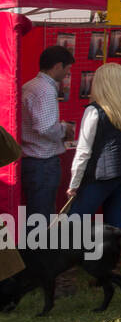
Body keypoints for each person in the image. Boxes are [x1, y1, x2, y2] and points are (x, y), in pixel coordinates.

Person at [67, 62, 121, 229]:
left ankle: (72, 255)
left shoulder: (94, 111)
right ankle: (116, 255)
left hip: (100, 176)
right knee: (114, 223)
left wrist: (74, 183)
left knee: (73, 224)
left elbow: (83, 151)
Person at [20, 45, 76, 216]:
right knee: (40, 215)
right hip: (42, 162)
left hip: (31, 158)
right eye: (67, 69)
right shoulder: (44, 89)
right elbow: (45, 127)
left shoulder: (30, 85)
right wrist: (65, 129)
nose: (68, 73)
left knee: (34, 213)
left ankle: (32, 242)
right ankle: (38, 243)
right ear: (58, 66)